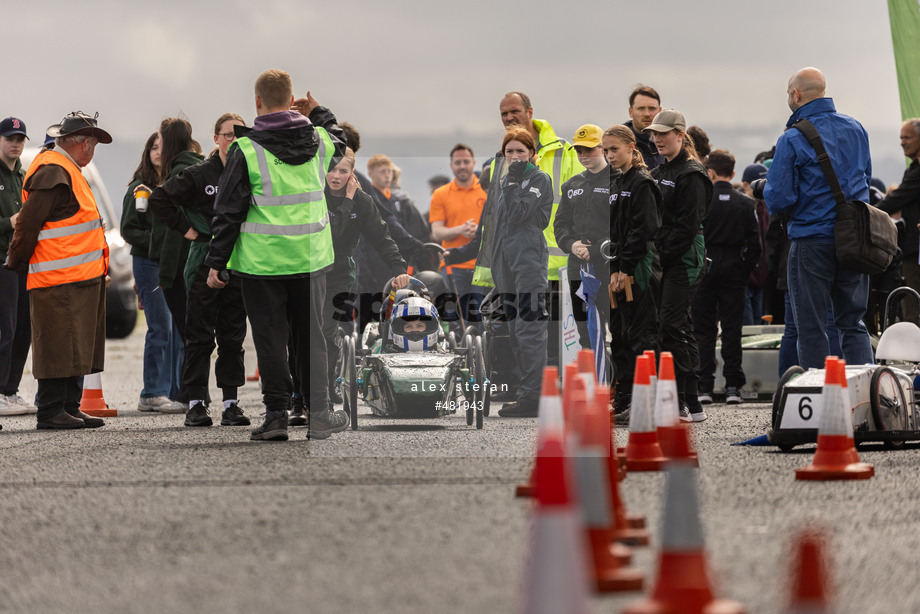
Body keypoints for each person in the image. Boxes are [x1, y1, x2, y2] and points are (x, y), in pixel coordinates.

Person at [205, 69, 348, 441]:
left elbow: (228, 210)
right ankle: (318, 413)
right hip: (311, 259)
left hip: (262, 263)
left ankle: (276, 417)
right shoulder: (318, 140)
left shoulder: (245, 149)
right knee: (311, 337)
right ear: (292, 99)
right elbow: (342, 140)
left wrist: (216, 262)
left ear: (257, 102)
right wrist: (318, 111)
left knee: (270, 340)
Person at [761, 67, 874, 370]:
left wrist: (767, 189)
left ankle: (819, 400)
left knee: (811, 327)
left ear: (796, 95)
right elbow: (865, 178)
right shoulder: (856, 128)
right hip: (854, 239)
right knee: (852, 323)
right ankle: (866, 399)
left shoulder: (793, 138)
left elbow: (780, 198)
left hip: (811, 240)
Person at [5, 111, 112, 429]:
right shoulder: (54, 169)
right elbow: (27, 222)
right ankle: (51, 411)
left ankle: (68, 406)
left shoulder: (67, 169)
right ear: (84, 145)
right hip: (57, 279)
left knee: (75, 344)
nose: (93, 151)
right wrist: (15, 264)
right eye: (92, 143)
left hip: (78, 277)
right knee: (58, 343)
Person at [148, 112, 251, 429]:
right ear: (217, 138)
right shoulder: (200, 173)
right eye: (227, 135)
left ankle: (232, 405)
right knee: (199, 337)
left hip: (239, 261)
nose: (233, 141)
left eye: (240, 135)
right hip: (202, 261)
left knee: (233, 337)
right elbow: (159, 198)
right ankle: (195, 404)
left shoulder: (251, 174)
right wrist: (187, 229)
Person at [449, 126, 553, 418]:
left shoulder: (538, 179)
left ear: (532, 154)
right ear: (503, 155)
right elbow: (492, 225)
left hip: (529, 260)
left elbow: (520, 214)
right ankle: (526, 393)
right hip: (504, 260)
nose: (515, 157)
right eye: (510, 152)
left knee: (530, 327)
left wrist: (510, 185)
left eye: (521, 151)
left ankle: (533, 397)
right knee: (515, 330)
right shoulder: (504, 179)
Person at [305, 147, 409, 426]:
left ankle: (324, 395)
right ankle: (299, 395)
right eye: (331, 169)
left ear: (352, 174)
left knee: (326, 333)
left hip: (339, 274)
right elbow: (332, 229)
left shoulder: (363, 201)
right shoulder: (314, 195)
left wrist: (399, 268)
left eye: (343, 171)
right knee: (304, 333)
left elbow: (381, 235)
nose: (336, 176)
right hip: (308, 271)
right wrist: (347, 200)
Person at [490, 92, 584, 368]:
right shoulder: (500, 162)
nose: (509, 117)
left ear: (530, 111)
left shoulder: (563, 151)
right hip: (513, 260)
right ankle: (534, 390)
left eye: (515, 111)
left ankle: (543, 392)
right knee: (523, 331)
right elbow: (494, 217)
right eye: (504, 113)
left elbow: (579, 201)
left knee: (549, 335)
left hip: (556, 259)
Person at [645, 109, 711, 422]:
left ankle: (690, 399)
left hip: (684, 257)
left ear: (680, 135)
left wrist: (660, 253)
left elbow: (687, 225)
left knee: (675, 323)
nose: (657, 139)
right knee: (667, 325)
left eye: (664, 133)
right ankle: (680, 399)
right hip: (663, 257)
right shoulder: (660, 171)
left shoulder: (692, 173)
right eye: (654, 134)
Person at [601, 124, 661, 423]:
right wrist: (613, 269)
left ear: (631, 148)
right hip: (618, 269)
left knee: (641, 336)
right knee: (621, 337)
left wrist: (625, 268)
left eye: (615, 149)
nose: (610, 155)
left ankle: (645, 400)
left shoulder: (642, 182)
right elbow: (613, 233)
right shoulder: (617, 183)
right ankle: (623, 397)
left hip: (639, 268)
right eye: (606, 150)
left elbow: (644, 229)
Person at [120, 132, 185, 413]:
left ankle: (176, 392)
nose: (158, 152)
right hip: (148, 263)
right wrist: (159, 244)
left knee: (178, 328)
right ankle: (152, 392)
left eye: (163, 147)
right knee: (160, 326)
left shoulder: (179, 183)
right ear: (147, 153)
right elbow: (128, 229)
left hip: (175, 263)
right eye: (153, 148)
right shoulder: (139, 188)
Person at [693, 149, 760, 405]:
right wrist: (744, 270)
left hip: (704, 265)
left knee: (704, 329)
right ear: (732, 173)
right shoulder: (745, 202)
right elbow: (755, 245)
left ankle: (705, 386)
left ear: (709, 172)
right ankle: (733, 386)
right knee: (732, 329)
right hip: (733, 267)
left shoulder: (702, 199)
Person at [553, 124, 613, 363]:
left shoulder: (618, 181)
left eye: (589, 149)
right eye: (579, 151)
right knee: (583, 328)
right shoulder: (571, 185)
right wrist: (571, 245)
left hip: (609, 266)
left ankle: (621, 387)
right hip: (578, 266)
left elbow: (623, 225)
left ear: (603, 148)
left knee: (618, 326)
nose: (584, 156)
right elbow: (560, 225)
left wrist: (596, 249)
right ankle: (591, 385)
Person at [429, 143, 486, 333]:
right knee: (455, 321)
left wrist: (479, 231)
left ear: (473, 163)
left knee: (481, 317)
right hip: (453, 267)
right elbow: (437, 232)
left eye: (466, 162)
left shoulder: (486, 191)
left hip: (482, 266)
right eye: (458, 162)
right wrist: (461, 229)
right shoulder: (441, 194)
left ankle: (483, 357)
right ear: (451, 165)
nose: (462, 166)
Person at [0, 117, 35, 416]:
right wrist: (7, 223)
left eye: (20, 139)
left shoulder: (23, 177)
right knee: (6, 329)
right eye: (10, 138)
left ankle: (10, 390)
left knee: (24, 327)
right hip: (2, 261)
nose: (16, 144)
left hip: (23, 261)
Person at [877, 118, 920, 323]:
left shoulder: (917, 171)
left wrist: (868, 214)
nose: (902, 142)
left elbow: (897, 198)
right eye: (901, 137)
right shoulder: (913, 169)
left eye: (907, 137)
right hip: (912, 248)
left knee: (913, 307)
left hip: (915, 251)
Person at [740, 163, 770, 325]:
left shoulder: (766, 209)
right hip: (745, 278)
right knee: (748, 328)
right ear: (746, 185)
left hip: (762, 279)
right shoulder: (740, 207)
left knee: (761, 327)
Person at [625, 85, 665, 170]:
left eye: (652, 108)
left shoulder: (669, 143)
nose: (647, 114)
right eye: (641, 108)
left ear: (660, 112)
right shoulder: (617, 144)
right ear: (630, 112)